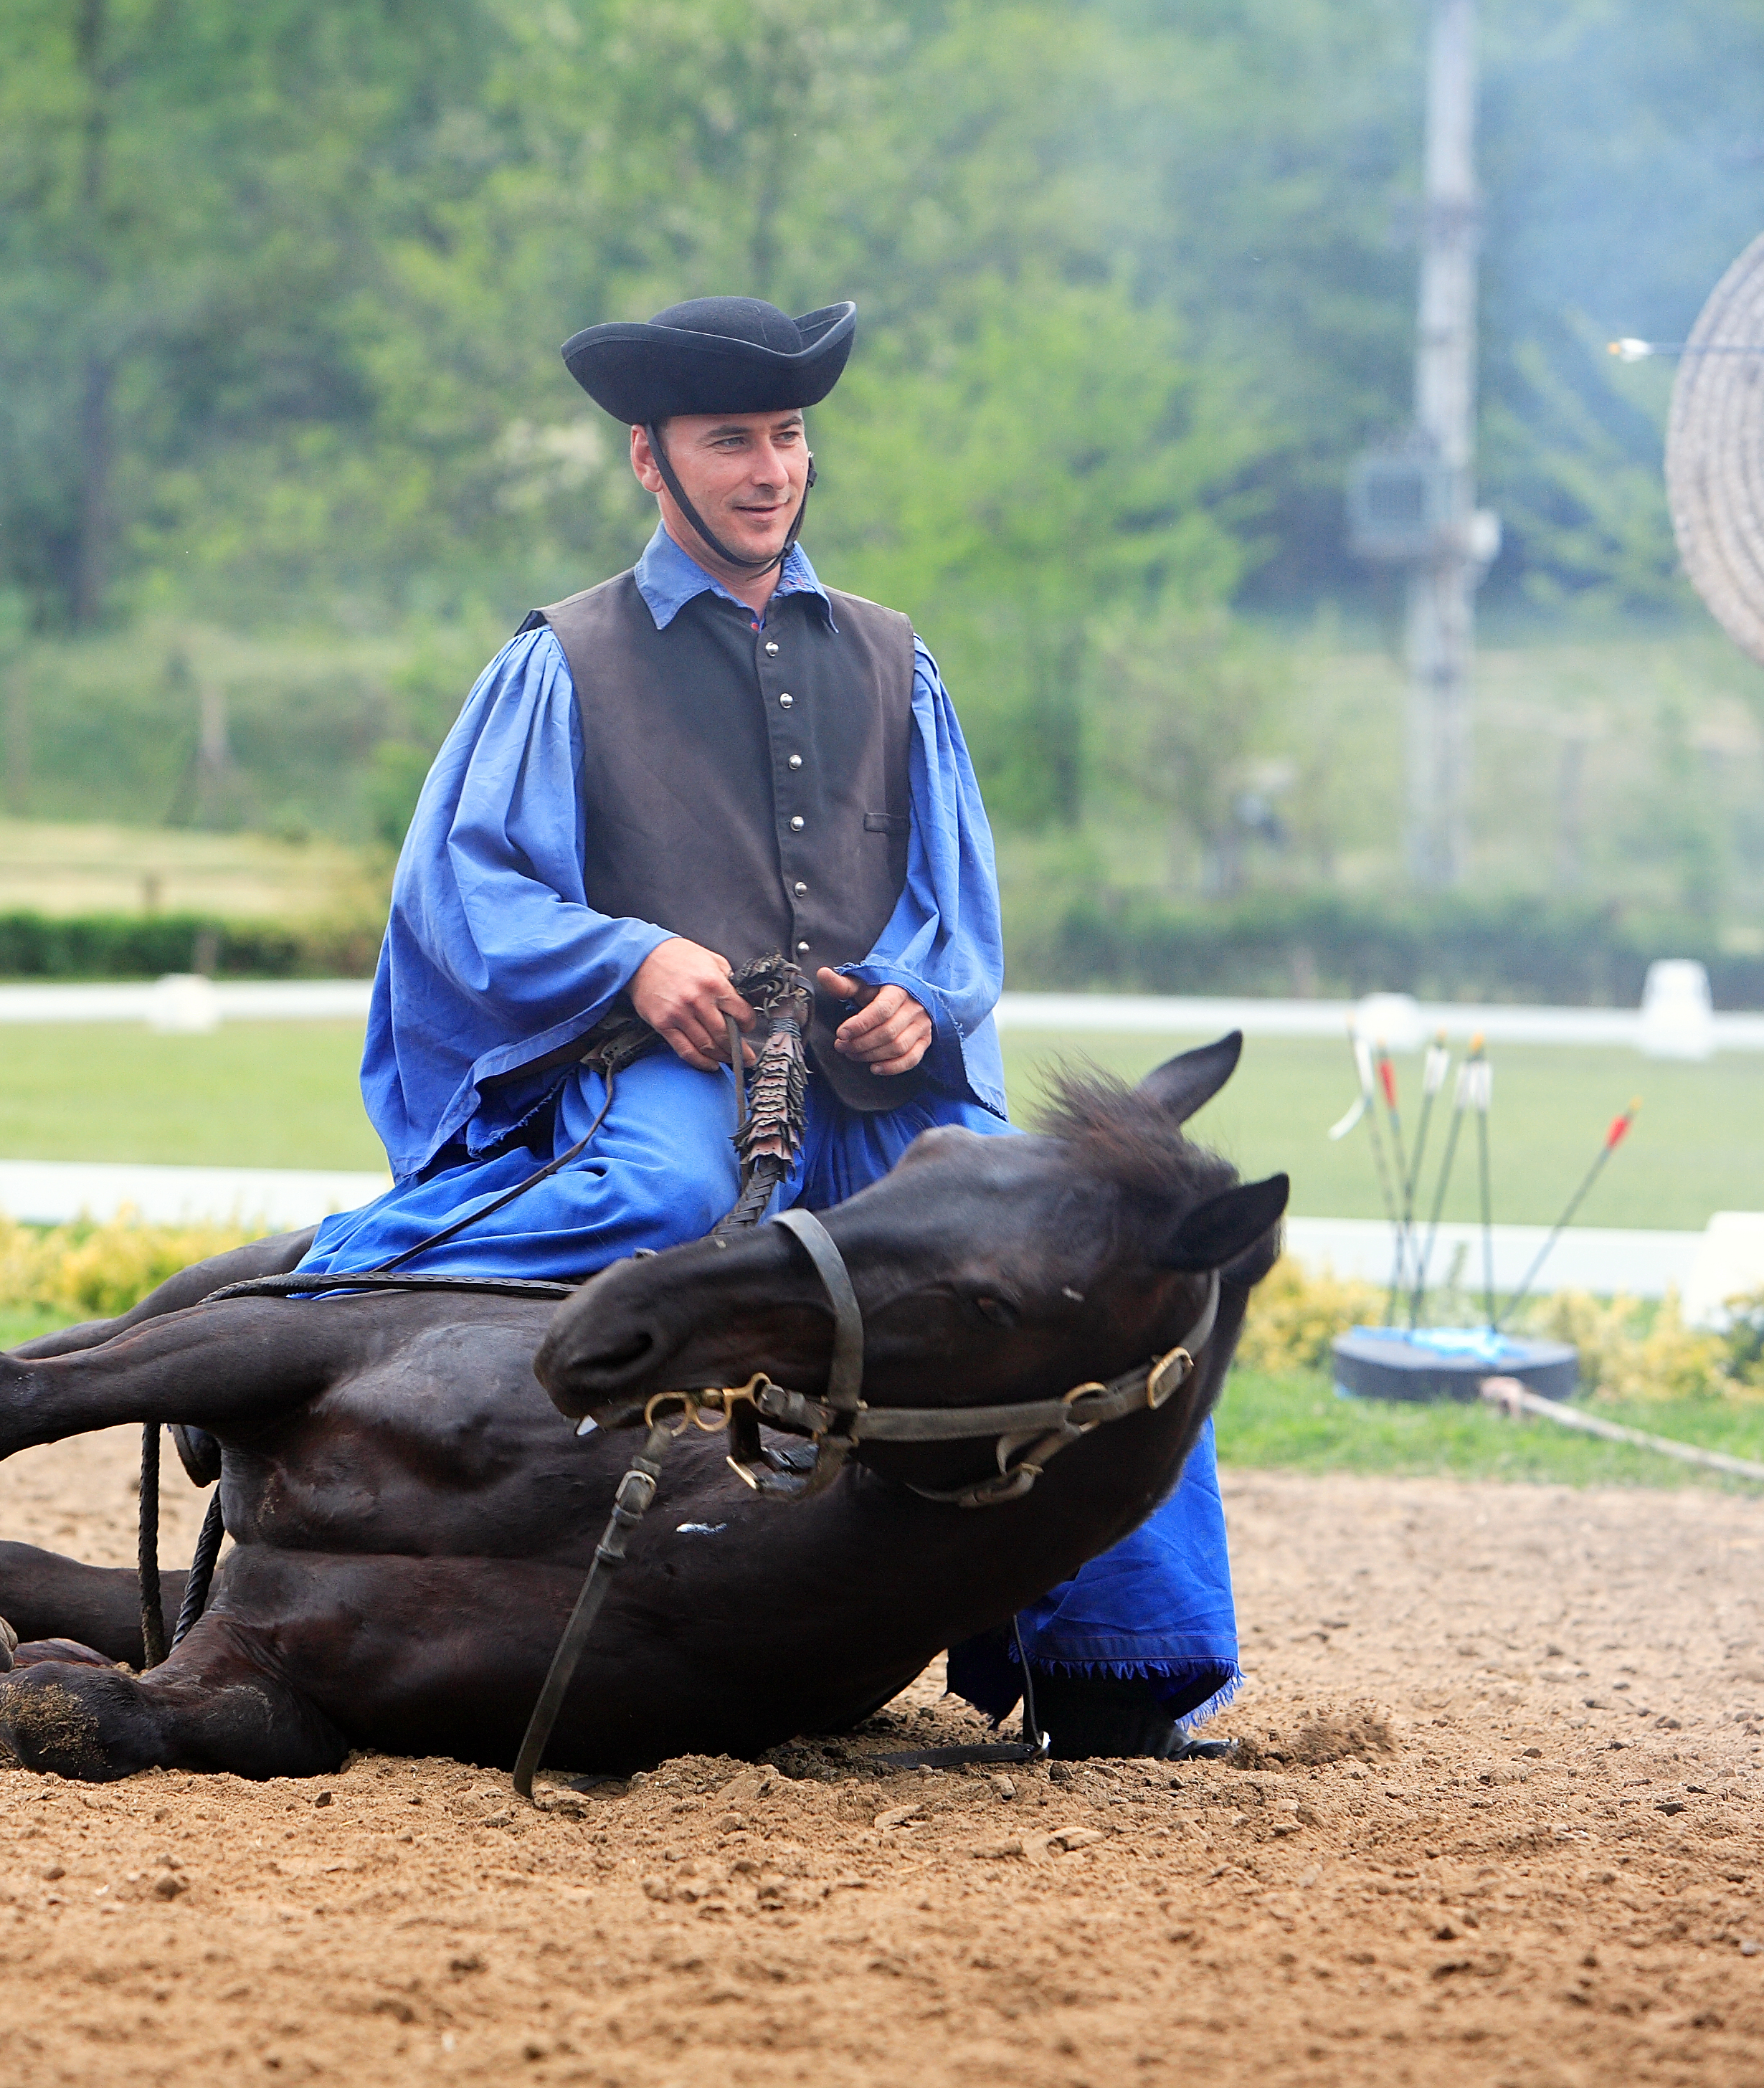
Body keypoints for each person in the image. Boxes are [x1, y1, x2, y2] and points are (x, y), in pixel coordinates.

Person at [291, 295, 1236, 1758]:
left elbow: (954, 907)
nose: (770, 470)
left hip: (875, 1092)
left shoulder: (896, 659)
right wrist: (630, 959)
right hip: (675, 1072)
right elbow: (464, 888)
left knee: (1087, 1256)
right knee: (666, 1198)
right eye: (730, 440)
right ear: (649, 459)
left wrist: (919, 1001)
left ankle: (1114, 1671)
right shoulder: (563, 659)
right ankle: (304, 1324)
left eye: (788, 436)